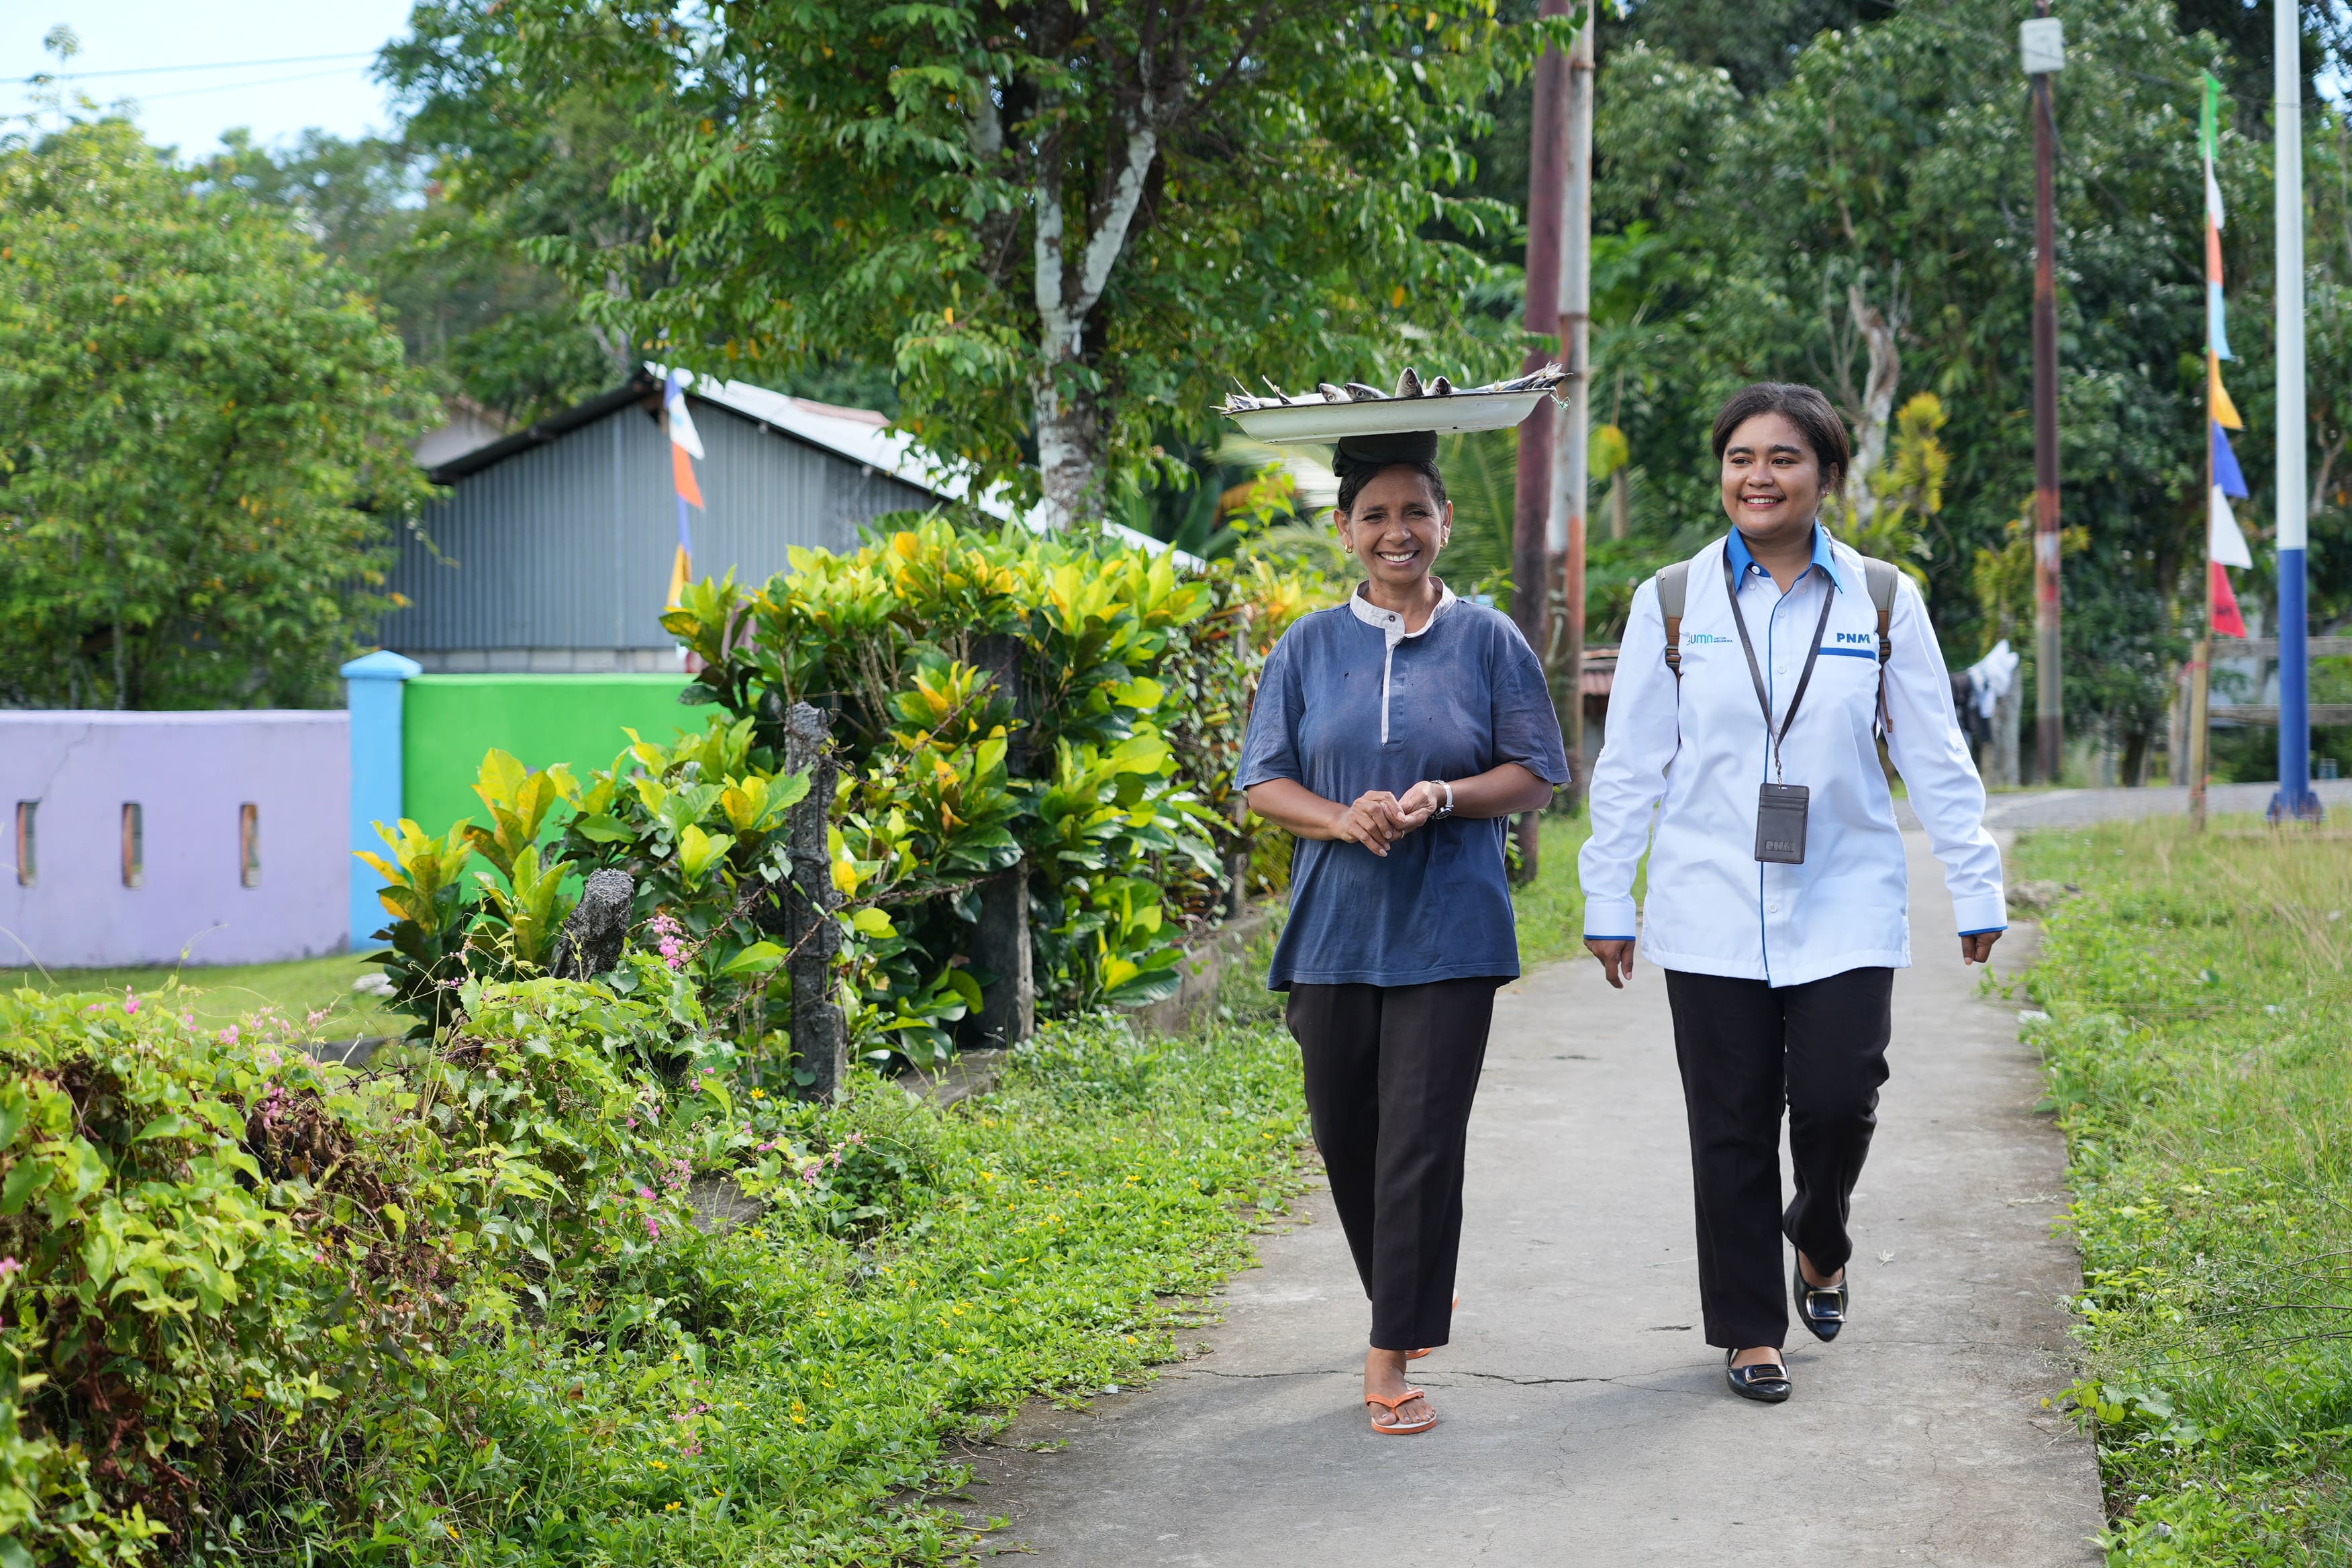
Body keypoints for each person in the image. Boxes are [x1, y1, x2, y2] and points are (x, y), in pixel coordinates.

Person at [1578, 382, 2004, 1404]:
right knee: (1726, 1122)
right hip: (1708, 901)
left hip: (1845, 897)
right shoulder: (1673, 601)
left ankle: (1820, 1238)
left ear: (1827, 476)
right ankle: (1748, 1331)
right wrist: (1609, 899)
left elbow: (1936, 754)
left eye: (1782, 459)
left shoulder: (1883, 601)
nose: (1757, 477)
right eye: (1739, 458)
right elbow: (1631, 763)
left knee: (1836, 1101)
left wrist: (1977, 880)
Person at [1239, 428, 1569, 1436]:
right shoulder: (1305, 646)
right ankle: (1410, 1285)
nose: (1397, 532)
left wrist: (1441, 794)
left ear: (1445, 522)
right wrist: (1341, 817)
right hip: (1334, 931)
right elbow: (1262, 781)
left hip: (1450, 930)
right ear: (1344, 532)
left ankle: (1390, 1350)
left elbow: (1536, 771)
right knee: (1346, 1133)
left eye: (1414, 512)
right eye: (1375, 516)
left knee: (1420, 1140)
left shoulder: (1489, 640)